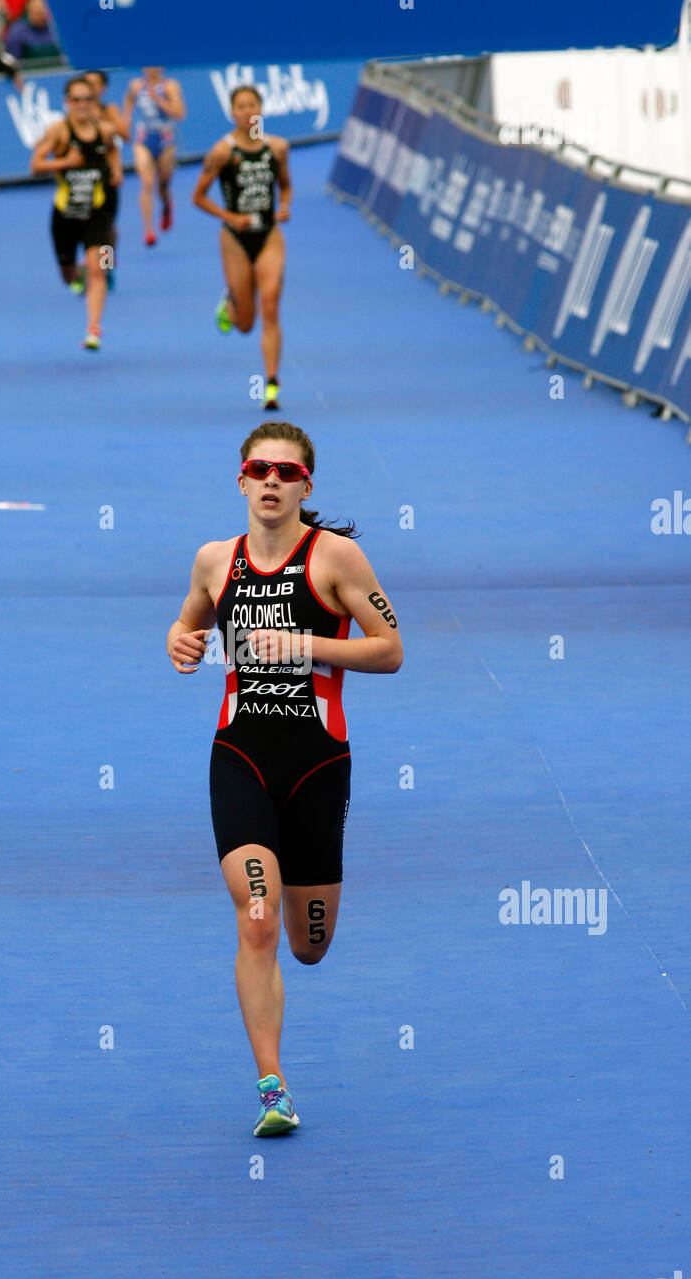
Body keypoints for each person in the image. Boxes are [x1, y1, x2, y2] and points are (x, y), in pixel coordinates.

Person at [166, 422, 403, 1136]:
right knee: (258, 918)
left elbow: (390, 650)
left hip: (318, 764)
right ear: (240, 480)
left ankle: (304, 929)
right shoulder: (215, 561)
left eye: (286, 472)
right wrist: (181, 641)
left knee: (309, 944)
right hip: (240, 757)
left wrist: (305, 643)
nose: (271, 481)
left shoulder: (336, 559)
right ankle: (274, 1087)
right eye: (259, 469)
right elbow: (188, 628)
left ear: (306, 485)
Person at [192, 85, 291, 412]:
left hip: (269, 235)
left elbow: (286, 186)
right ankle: (229, 306)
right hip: (235, 239)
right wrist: (230, 217)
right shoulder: (222, 152)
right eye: (241, 106)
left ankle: (271, 386)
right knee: (246, 324)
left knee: (271, 305)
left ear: (262, 109)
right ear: (232, 113)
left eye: (253, 105)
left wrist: (285, 206)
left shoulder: (277, 148)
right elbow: (199, 197)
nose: (248, 112)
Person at [30, 74, 117, 350]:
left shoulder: (104, 130)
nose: (81, 105)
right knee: (68, 276)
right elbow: (36, 164)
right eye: (76, 99)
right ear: (67, 102)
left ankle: (94, 330)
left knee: (99, 270)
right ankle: (75, 272)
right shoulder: (60, 131)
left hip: (97, 213)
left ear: (94, 102)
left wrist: (115, 171)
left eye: (87, 99)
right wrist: (65, 162)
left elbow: (112, 150)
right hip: (65, 215)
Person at [123, 66, 186, 246]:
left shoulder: (170, 86)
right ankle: (149, 230)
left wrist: (158, 99)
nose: (150, 69)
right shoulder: (135, 85)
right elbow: (128, 102)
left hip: (165, 140)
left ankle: (166, 205)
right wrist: (126, 120)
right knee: (147, 183)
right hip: (143, 140)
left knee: (163, 185)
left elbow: (180, 113)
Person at [82, 69, 130, 289]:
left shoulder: (109, 110)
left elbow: (123, 137)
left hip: (107, 176)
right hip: (82, 178)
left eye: (95, 84)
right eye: (87, 84)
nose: (91, 89)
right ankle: (88, 269)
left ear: (103, 88)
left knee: (108, 228)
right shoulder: (75, 113)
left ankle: (107, 266)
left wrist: (117, 171)